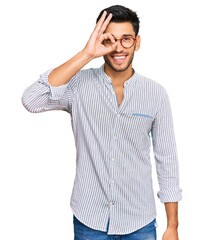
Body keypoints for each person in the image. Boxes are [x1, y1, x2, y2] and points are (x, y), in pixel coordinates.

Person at [21, 5, 182, 240]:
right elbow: (31, 100)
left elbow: (167, 161)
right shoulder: (77, 86)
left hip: (140, 222)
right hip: (90, 221)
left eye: (126, 39)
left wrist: (172, 226)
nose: (118, 47)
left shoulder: (156, 94)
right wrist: (86, 54)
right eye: (110, 39)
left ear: (137, 43)